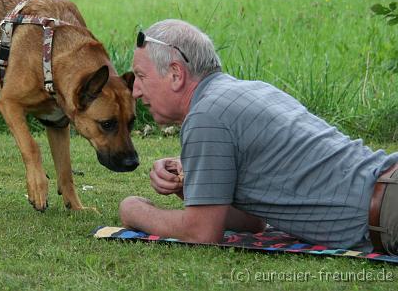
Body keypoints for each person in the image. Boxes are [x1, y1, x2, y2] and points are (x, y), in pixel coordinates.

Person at [119, 19, 398, 254]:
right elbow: (253, 222)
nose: (136, 91)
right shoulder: (250, 90)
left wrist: (134, 211)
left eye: (142, 76)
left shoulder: (206, 116)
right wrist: (192, 184)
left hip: (389, 209)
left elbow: (202, 233)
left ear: (176, 74)